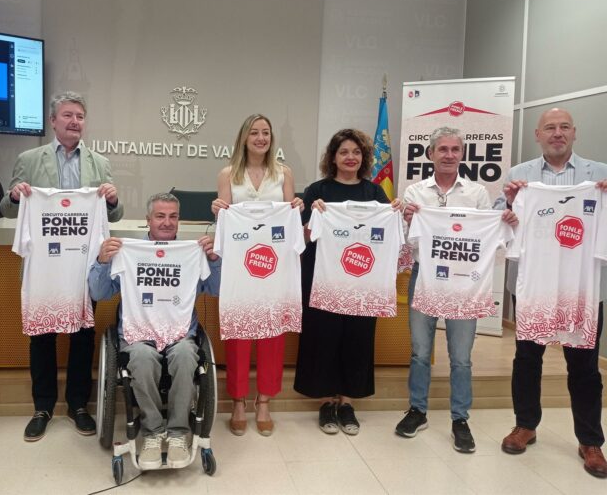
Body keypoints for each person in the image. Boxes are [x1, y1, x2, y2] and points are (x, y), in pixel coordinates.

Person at [0, 91, 123, 442]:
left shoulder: (100, 162)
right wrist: (14, 196)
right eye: (68, 115)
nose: (74, 121)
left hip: (84, 265)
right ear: (53, 121)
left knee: (83, 336)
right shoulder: (28, 159)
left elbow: (114, 216)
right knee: (42, 335)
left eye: (80, 116)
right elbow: (8, 210)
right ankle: (42, 407)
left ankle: (78, 405)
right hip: (45, 265)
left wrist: (113, 200)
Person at [496, 107, 607, 478]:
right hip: (535, 285)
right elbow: (500, 218)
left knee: (584, 365)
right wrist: (509, 206)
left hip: (582, 288)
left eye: (564, 127)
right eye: (550, 128)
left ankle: (590, 440)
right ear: (537, 135)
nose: (557, 133)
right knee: (527, 358)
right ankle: (525, 425)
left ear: (574, 132)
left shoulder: (600, 174)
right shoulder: (519, 176)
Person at [395, 126, 516, 453]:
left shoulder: (477, 193)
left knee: (461, 357)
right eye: (442, 149)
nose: (449, 155)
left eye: (454, 149)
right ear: (431, 154)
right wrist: (409, 221)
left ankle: (460, 419)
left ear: (462, 154)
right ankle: (417, 411)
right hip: (425, 276)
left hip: (465, 281)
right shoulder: (415, 192)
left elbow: (486, 237)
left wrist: (503, 221)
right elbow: (407, 240)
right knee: (420, 351)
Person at [88, 193, 221, 468]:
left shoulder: (191, 252)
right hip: (138, 333)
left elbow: (216, 289)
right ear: (147, 220)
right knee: (140, 357)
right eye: (160, 216)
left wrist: (213, 259)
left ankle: (178, 433)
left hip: (180, 333)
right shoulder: (129, 251)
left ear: (179, 220)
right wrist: (102, 261)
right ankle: (152, 432)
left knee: (185, 355)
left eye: (173, 216)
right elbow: (99, 293)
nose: (167, 222)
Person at [294, 129, 395, 435]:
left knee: (357, 338)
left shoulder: (375, 193)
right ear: (333, 157)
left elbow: (387, 235)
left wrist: (395, 213)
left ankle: (348, 403)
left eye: (356, 152)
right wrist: (313, 219)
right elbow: (302, 239)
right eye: (344, 152)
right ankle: (326, 402)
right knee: (323, 337)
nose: (350, 157)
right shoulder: (317, 191)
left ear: (364, 157)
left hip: (362, 281)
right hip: (321, 279)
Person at [211, 114, 303, 436]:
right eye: (254, 132)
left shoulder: (283, 173)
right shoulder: (228, 174)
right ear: (244, 137)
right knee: (238, 333)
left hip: (274, 266)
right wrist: (218, 210)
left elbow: (291, 213)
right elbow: (224, 217)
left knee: (272, 333)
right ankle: (238, 400)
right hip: (240, 266)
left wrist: (296, 207)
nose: (261, 138)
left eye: (266, 132)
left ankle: (264, 401)